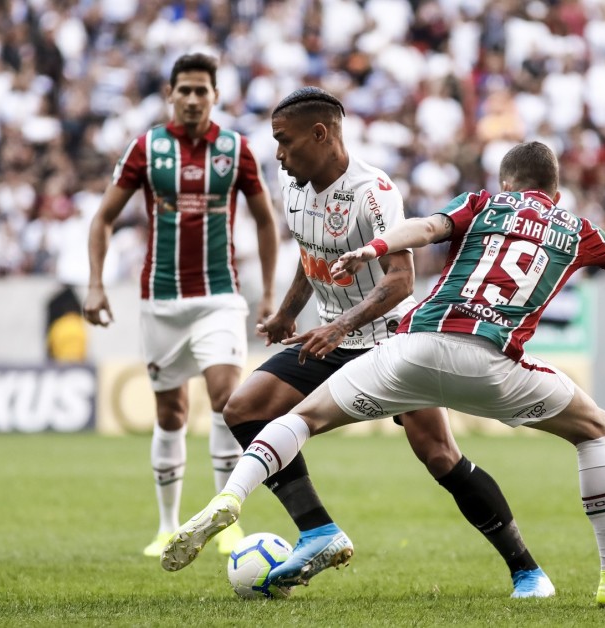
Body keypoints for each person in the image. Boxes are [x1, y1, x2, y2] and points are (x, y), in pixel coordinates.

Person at [163, 141, 605, 609]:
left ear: (506, 184)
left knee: (301, 420)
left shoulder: (482, 203)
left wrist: (376, 248)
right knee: (594, 428)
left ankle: (231, 495)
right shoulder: (577, 227)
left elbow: (427, 228)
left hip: (410, 346)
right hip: (492, 365)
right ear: (555, 192)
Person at [165, 87, 554, 599]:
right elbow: (313, 256)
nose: (278, 154)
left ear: (321, 134)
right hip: (330, 338)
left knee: (439, 456)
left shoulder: (374, 192)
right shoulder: (296, 187)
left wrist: (340, 325)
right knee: (243, 409)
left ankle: (528, 570)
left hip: (391, 342)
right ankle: (319, 531)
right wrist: (286, 311)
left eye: (285, 141)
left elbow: (400, 281)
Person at [83, 53, 278, 557]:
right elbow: (104, 217)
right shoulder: (148, 148)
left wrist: (272, 293)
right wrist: (96, 283)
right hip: (161, 298)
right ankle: (167, 525)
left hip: (219, 296)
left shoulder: (235, 150)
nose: (193, 99)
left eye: (202, 91)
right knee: (170, 412)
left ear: (216, 95)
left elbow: (264, 220)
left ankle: (223, 518)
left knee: (226, 400)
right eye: (185, 90)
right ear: (170, 94)